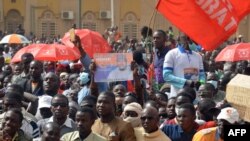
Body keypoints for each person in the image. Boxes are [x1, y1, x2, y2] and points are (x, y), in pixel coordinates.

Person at [163, 33, 205, 98]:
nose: (187, 41)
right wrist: (185, 82)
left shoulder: (198, 56)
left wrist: (201, 83)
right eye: (184, 38)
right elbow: (166, 76)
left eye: (189, 38)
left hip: (195, 98)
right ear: (178, 40)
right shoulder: (171, 54)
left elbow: (202, 75)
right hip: (177, 97)